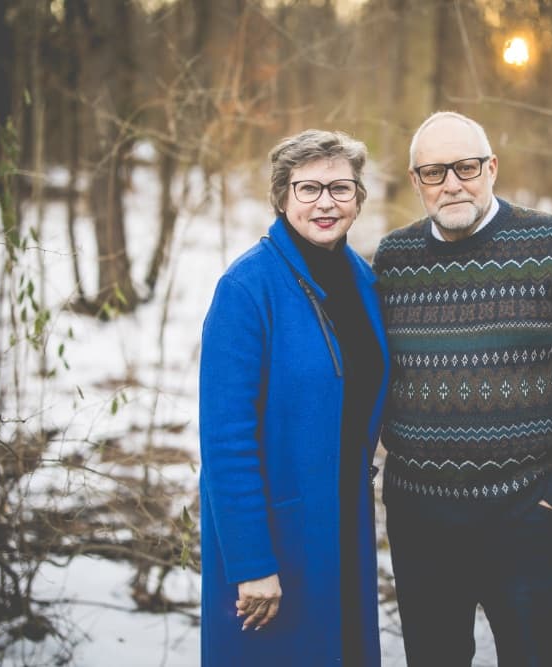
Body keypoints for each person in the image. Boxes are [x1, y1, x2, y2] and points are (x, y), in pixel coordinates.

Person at [372, 111, 552, 666]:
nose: (452, 183)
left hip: (528, 518)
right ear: (416, 182)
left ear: (492, 168)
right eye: (435, 172)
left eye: (466, 167)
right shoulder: (393, 261)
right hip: (422, 524)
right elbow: (366, 371)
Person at [199, 129, 389, 666]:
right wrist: (251, 562)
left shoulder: (364, 282)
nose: (325, 202)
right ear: (282, 197)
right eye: (308, 188)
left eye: (340, 188)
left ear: (358, 198)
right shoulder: (247, 289)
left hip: (343, 525)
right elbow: (225, 441)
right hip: (275, 537)